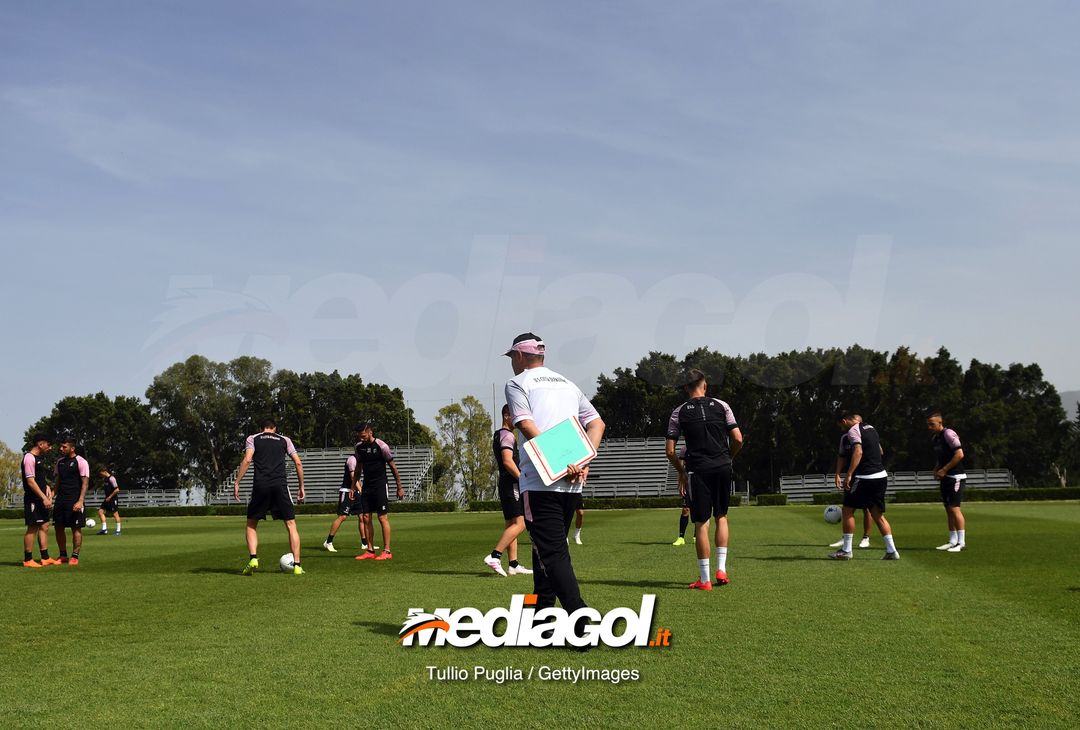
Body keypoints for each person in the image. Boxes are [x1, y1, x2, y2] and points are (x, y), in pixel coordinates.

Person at [504, 332, 605, 616]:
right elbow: (597, 423)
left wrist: (561, 462)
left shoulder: (516, 383)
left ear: (520, 356)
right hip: (572, 486)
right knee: (544, 550)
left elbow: (525, 425)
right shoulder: (568, 384)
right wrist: (583, 460)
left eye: (512, 357)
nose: (512, 362)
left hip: (540, 482)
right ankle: (541, 616)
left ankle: (580, 619)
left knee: (553, 553)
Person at [665, 368, 743, 590]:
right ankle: (722, 569)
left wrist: (681, 471)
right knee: (722, 516)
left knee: (701, 523)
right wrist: (729, 457)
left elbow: (670, 451)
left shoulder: (678, 412)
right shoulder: (722, 405)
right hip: (722, 466)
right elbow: (737, 438)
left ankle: (705, 579)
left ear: (685, 388)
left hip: (698, 470)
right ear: (705, 385)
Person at [233, 419, 306, 575]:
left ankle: (253, 558)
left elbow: (247, 459)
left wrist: (237, 482)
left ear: (262, 428)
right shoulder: (285, 440)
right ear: (275, 428)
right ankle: (298, 566)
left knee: (251, 524)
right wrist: (301, 487)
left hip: (261, 485)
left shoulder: (253, 438)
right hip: (280, 485)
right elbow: (298, 463)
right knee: (291, 525)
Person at [830, 411, 899, 560]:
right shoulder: (871, 428)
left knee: (848, 510)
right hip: (881, 476)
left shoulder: (853, 430)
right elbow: (880, 450)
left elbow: (858, 451)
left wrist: (849, 474)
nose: (842, 429)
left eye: (841, 425)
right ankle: (892, 551)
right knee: (877, 514)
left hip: (864, 477)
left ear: (844, 421)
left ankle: (846, 550)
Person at [484, 405, 533, 577]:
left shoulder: (499, 434)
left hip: (505, 483)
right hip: (511, 483)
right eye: (515, 416)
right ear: (506, 416)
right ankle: (495, 556)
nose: (519, 420)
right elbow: (507, 461)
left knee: (511, 524)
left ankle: (513, 565)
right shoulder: (507, 435)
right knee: (521, 523)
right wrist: (522, 479)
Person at [352, 423, 403, 561]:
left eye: (363, 436)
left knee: (382, 518)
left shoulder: (382, 446)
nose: (361, 439)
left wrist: (399, 486)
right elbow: (358, 469)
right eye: (359, 436)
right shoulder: (359, 447)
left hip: (380, 485)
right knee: (366, 518)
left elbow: (393, 467)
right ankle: (370, 550)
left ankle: (387, 551)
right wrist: (353, 487)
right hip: (367, 486)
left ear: (370, 432)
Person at [830, 414, 874, 549]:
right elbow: (841, 456)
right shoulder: (845, 438)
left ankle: (866, 538)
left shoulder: (867, 435)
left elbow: (879, 451)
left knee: (867, 508)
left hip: (866, 476)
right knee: (848, 508)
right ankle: (846, 538)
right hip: (853, 476)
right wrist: (837, 474)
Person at [928, 412, 967, 552]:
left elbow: (959, 454)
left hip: (956, 476)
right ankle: (952, 540)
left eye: (932, 424)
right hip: (945, 477)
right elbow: (941, 457)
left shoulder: (948, 434)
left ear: (940, 423)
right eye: (928, 424)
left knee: (954, 508)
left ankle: (961, 543)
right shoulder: (935, 439)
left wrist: (944, 469)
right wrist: (936, 468)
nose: (929, 427)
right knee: (948, 510)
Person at [21, 434, 58, 568]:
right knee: (33, 528)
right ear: (40, 444)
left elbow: (38, 479)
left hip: (41, 499)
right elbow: (30, 481)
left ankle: (45, 557)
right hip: (33, 499)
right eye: (48, 444)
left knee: (44, 526)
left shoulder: (38, 459)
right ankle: (28, 559)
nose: (50, 447)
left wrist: (46, 486)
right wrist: (43, 498)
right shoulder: (29, 458)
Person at [53, 437, 90, 565]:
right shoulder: (60, 462)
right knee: (58, 527)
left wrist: (80, 501)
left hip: (74, 499)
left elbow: (85, 484)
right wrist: (52, 495)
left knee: (76, 528)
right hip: (61, 500)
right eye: (61, 446)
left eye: (64, 447)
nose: (61, 449)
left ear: (72, 448)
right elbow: (57, 481)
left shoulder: (81, 462)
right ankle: (62, 555)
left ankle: (75, 556)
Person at [323, 453, 365, 553]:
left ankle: (365, 543)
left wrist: (360, 490)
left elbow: (358, 479)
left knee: (362, 516)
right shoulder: (352, 459)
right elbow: (352, 477)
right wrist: (362, 491)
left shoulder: (361, 461)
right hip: (346, 491)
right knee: (342, 517)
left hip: (356, 492)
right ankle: (328, 542)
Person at [672, 447, 692, 546]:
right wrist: (681, 483)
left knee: (700, 509)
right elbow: (680, 468)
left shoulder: (703, 445)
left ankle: (696, 536)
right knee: (685, 510)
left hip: (701, 482)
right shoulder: (684, 450)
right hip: (688, 482)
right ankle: (681, 537)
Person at [96, 468, 122, 536]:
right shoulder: (105, 479)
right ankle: (104, 530)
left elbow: (117, 490)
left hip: (112, 499)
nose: (100, 475)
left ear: (104, 471)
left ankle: (118, 531)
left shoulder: (112, 478)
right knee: (100, 511)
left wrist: (110, 497)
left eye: (101, 473)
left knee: (115, 514)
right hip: (107, 498)